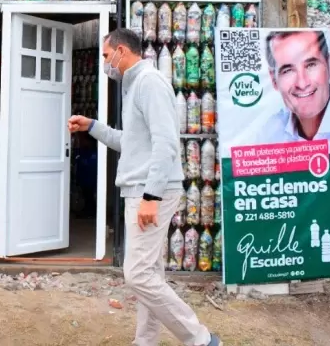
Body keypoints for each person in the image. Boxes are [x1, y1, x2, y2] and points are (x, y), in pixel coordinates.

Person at [68, 29, 222, 346]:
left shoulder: (148, 83)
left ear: (122, 51)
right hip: (143, 188)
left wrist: (151, 196)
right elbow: (132, 142)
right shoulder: (135, 84)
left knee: (137, 273)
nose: (106, 63)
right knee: (149, 271)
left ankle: (200, 339)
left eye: (107, 56)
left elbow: (166, 144)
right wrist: (92, 127)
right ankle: (146, 340)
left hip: (150, 191)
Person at [258, 30, 330, 149]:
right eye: (288, 70)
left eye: (311, 65)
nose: (302, 83)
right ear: (274, 80)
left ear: (329, 66)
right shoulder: (271, 133)